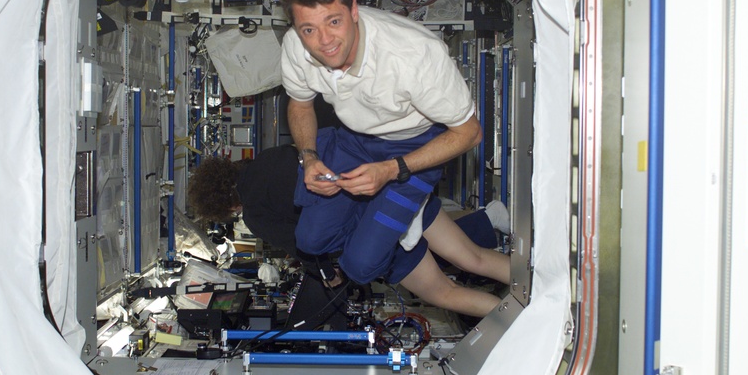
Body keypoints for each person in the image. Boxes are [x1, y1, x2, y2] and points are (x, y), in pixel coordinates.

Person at [279, 0, 483, 291]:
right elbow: (300, 104)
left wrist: (391, 170)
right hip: (353, 140)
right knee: (310, 242)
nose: (325, 41)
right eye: (309, 30)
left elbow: (470, 133)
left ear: (354, 11)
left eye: (334, 22)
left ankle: (402, 214)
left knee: (361, 267)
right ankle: (382, 218)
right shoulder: (295, 46)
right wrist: (309, 157)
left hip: (413, 144)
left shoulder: (414, 55)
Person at [187, 133, 511, 318]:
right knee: (474, 258)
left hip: (377, 233)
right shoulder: (269, 157)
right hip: (387, 194)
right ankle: (541, 282)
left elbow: (309, 251)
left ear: (225, 206)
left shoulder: (255, 215)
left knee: (446, 292)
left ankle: (522, 323)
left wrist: (331, 277)